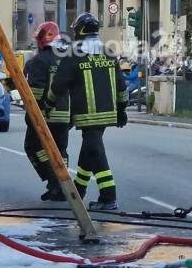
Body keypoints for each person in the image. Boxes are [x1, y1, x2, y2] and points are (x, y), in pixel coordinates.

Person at [45, 13, 128, 211]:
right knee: (89, 150)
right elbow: (121, 85)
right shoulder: (108, 51)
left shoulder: (74, 53)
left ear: (80, 30)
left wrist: (49, 103)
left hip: (86, 114)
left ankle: (109, 197)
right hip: (108, 113)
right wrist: (122, 110)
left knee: (96, 153)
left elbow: (59, 85)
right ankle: (79, 191)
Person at [23, 21, 71, 202]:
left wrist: (32, 114)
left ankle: (54, 182)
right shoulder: (66, 58)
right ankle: (62, 187)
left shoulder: (39, 61)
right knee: (61, 151)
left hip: (44, 115)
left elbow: (35, 91)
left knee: (34, 148)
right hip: (65, 115)